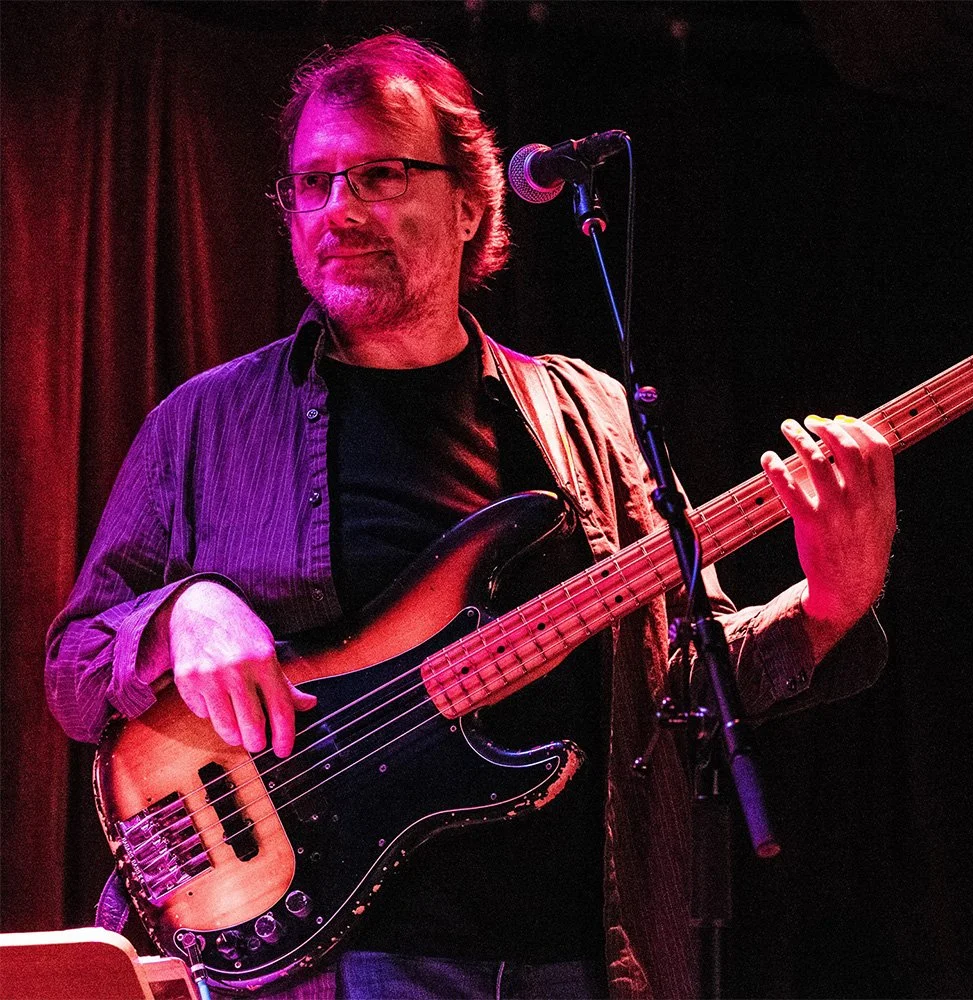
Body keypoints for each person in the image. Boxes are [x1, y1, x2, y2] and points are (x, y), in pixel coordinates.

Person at [45, 33, 896, 1000]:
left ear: (469, 203)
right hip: (325, 969)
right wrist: (178, 613)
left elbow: (685, 676)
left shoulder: (590, 414)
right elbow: (74, 666)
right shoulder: (204, 425)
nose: (339, 210)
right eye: (312, 183)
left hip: (583, 958)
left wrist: (832, 599)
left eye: (377, 174)